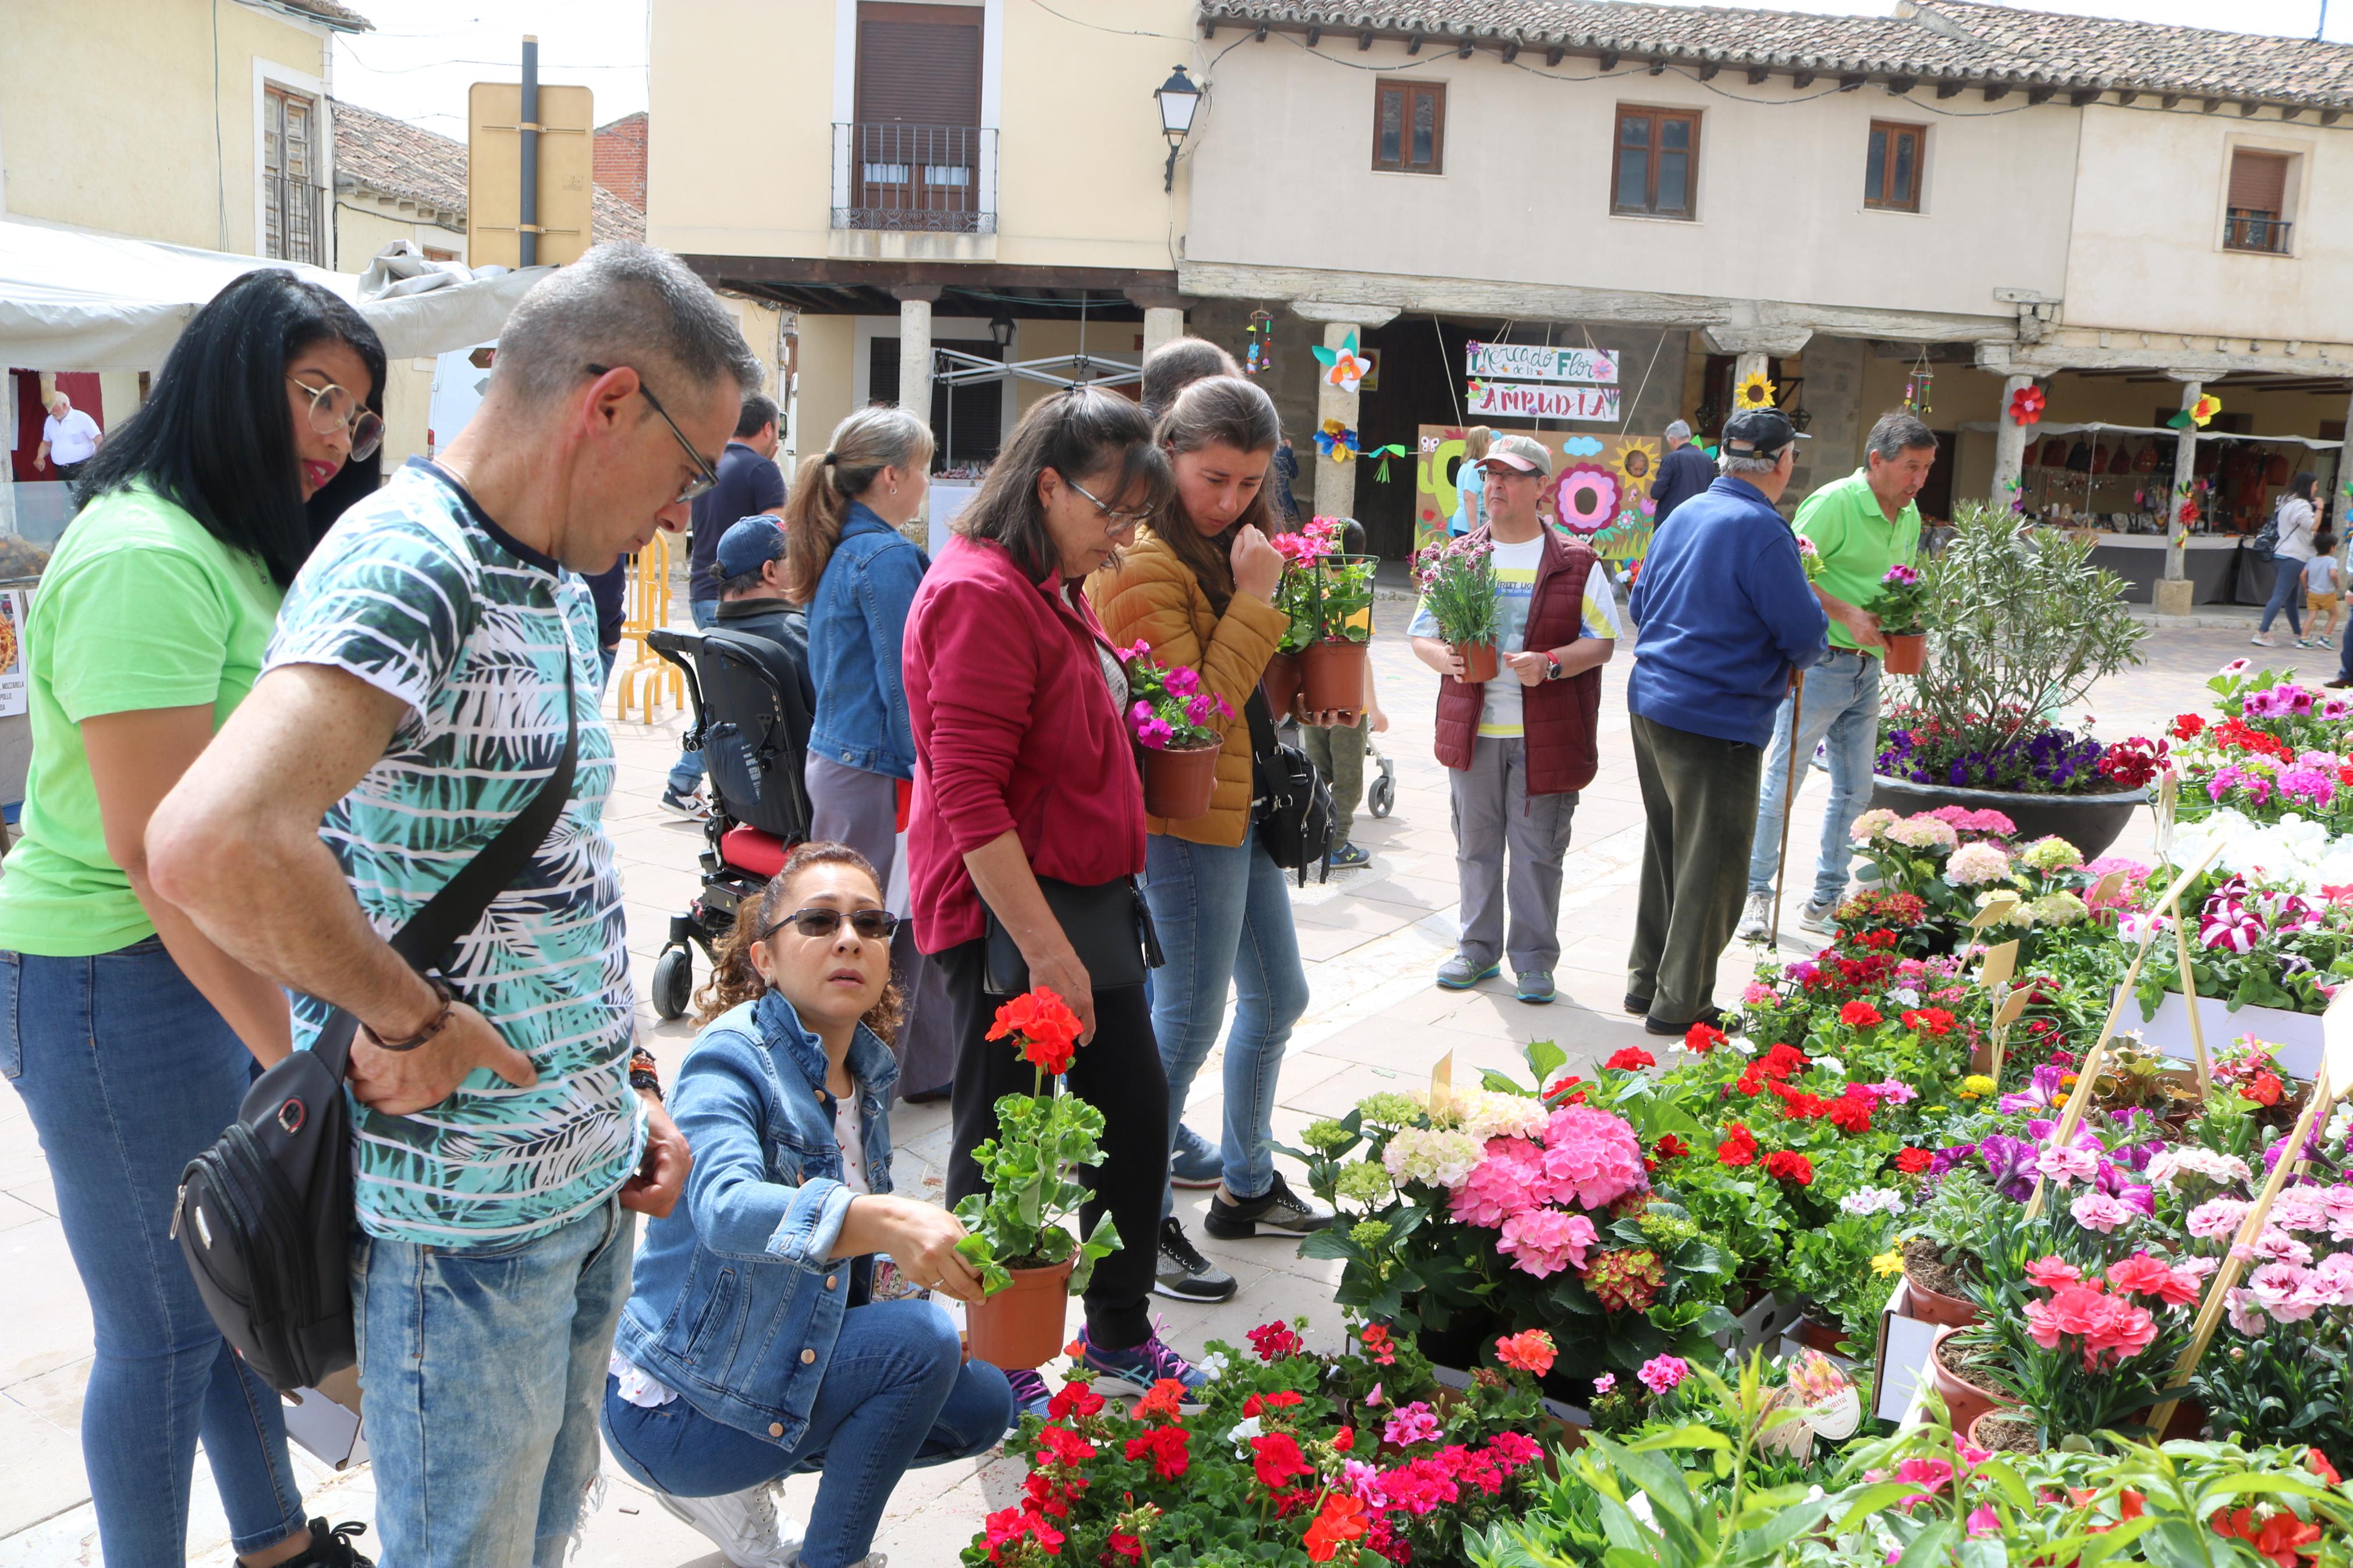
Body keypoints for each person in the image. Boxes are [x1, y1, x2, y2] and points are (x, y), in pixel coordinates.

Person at [145, 244, 742, 1567]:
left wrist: (629, 1076)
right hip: (465, 1232)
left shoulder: (535, 569)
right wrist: (406, 1020)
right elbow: (211, 838)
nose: (682, 515)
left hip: (575, 1189)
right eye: (689, 470)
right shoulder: (412, 560)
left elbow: (563, 868)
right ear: (608, 405)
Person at [0, 271, 382, 1568]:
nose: (335, 434)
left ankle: (273, 1543)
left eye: (356, 411)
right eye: (314, 393)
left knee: (235, 1293)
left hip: (190, 966)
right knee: (160, 1330)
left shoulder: (216, 539)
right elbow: (155, 856)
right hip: (109, 973)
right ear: (229, 379)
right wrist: (284, 1050)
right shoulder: (141, 558)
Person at [903, 386, 1202, 1417]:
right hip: (1015, 914)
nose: (1120, 535)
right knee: (1008, 1136)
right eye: (1106, 511)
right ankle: (996, 1361)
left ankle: (1115, 1335)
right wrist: (1046, 952)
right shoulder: (982, 592)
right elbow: (967, 792)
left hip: (1080, 903)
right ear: (1043, 485)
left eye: (1133, 517)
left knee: (1129, 1114)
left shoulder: (1043, 581)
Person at [604, 842, 1012, 1568]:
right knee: (917, 1345)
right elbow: (726, 1207)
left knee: (979, 1401)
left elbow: (846, 1271)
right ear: (764, 958)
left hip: (766, 1364)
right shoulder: (729, 1058)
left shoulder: (863, 1070)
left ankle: (748, 1475)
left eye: (869, 922)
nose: (849, 937)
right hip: (677, 1405)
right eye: (818, 922)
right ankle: (829, 1555)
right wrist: (887, 1221)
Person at [1090, 375, 1336, 1306]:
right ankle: (1136, 1219)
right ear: (1167, 456)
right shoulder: (1144, 558)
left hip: (1233, 810)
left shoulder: (1215, 545)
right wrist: (1256, 600)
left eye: (1247, 480)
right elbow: (1188, 710)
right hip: (1180, 817)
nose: (1229, 498)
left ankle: (1243, 1183)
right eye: (1211, 476)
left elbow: (1245, 687)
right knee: (1182, 1023)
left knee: (1278, 995)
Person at [1626, 408, 1829, 1035]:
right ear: (1780, 463)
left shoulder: (1685, 512)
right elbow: (1803, 634)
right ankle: (1680, 1001)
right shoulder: (1763, 530)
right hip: (1715, 716)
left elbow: (1638, 603)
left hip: (1652, 701)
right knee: (1711, 867)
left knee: (1667, 851)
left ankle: (1645, 981)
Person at [1409, 435, 1620, 1006]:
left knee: (1536, 854)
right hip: (1472, 733)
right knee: (1473, 848)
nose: (1494, 485)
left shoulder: (1575, 562)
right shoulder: (1459, 557)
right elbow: (1420, 634)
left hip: (1545, 737)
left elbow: (1602, 641)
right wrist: (1448, 660)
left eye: (1509, 475)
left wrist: (1551, 665)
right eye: (1488, 474)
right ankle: (1476, 949)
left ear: (1540, 487)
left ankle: (1532, 961)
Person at [787, 405, 959, 1104]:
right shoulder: (883, 556)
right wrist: (932, 771)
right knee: (862, 931)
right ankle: (849, 1078)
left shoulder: (848, 546)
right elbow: (906, 684)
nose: (927, 483)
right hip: (876, 768)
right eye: (922, 470)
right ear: (892, 476)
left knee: (887, 923)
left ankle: (909, 1069)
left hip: (849, 761)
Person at [1736, 411, 1935, 941]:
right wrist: (1846, 613)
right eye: (1910, 467)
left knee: (1854, 789)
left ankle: (1825, 899)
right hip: (1819, 663)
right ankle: (1754, 895)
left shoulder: (1908, 516)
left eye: (1926, 468)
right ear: (1876, 461)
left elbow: (1899, 585)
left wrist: (1905, 622)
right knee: (1783, 783)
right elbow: (1784, 572)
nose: (1919, 479)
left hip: (1867, 668)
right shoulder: (1834, 503)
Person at [668, 392, 789, 816]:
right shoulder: (763, 470)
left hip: (704, 589)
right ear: (769, 428)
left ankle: (691, 782)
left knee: (722, 696)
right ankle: (684, 781)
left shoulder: (711, 463)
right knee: (742, 703)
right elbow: (775, 538)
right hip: (750, 600)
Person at [1303, 658, 1386, 869]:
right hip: (1350, 707)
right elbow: (1361, 659)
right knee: (1347, 780)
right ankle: (1336, 848)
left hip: (1313, 702)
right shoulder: (1353, 621)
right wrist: (1375, 710)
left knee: (1319, 775)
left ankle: (1313, 840)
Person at [2255, 471, 2320, 650]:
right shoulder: (2301, 505)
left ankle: (2298, 634)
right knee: (2280, 595)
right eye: (2315, 485)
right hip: (2295, 555)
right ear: (2308, 486)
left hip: (2281, 553)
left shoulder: (2285, 500)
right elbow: (2313, 526)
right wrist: (2320, 508)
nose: (2316, 488)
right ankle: (2262, 632)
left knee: (2291, 597)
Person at [1649, 418, 1715, 525]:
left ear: (1672, 440)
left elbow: (1656, 492)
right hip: (1699, 519)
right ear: (1688, 437)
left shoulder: (1672, 458)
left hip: (1673, 519)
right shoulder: (1707, 459)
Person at [35, 390, 104, 481]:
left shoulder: (82, 418)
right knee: (65, 495)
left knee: (83, 493)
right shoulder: (50, 421)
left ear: (64, 405)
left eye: (53, 407)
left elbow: (98, 439)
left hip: (83, 467)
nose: (50, 411)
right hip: (60, 469)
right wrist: (40, 457)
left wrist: (98, 459)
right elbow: (47, 443)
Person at [1448, 426, 1491, 536]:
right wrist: (1473, 527)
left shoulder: (1468, 464)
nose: (1493, 440)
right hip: (1470, 525)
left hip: (1464, 523)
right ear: (1483, 443)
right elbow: (1469, 497)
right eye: (1490, 437)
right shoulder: (1477, 468)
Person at [2305, 528, 2342, 649]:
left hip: (2312, 593)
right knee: (2334, 615)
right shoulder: (2331, 561)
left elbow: (2302, 575)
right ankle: (2325, 638)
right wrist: (2337, 583)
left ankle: (2303, 639)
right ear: (2332, 548)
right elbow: (2333, 574)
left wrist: (2306, 587)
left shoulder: (2311, 560)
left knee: (2311, 616)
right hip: (2327, 593)